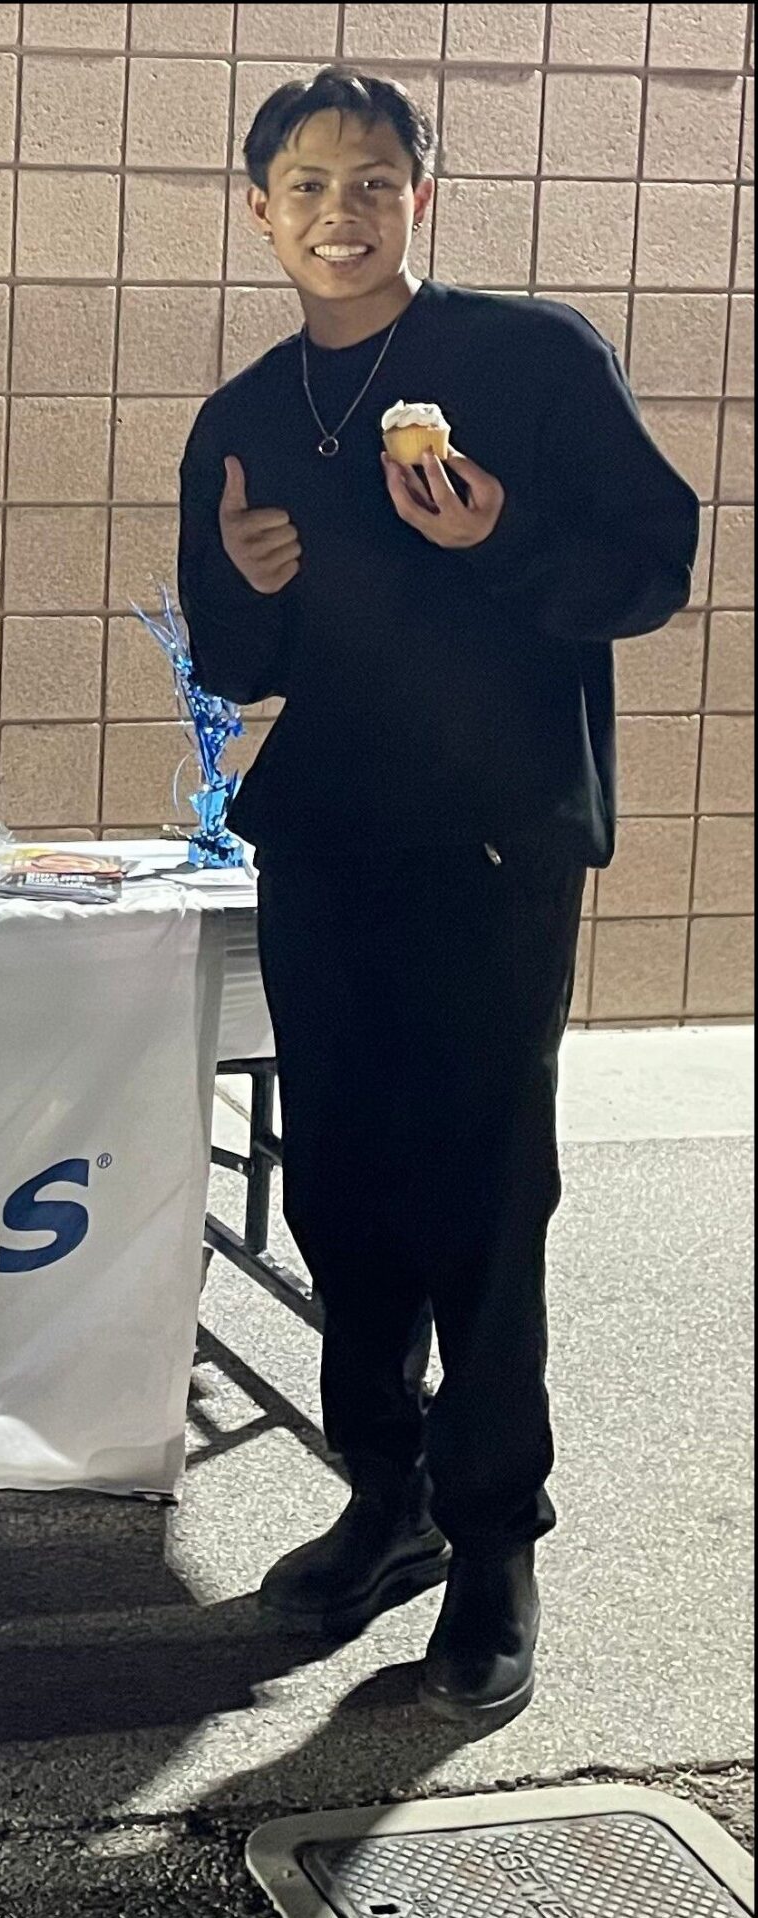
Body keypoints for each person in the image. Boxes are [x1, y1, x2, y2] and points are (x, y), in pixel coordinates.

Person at [177, 68, 700, 1728]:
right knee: (339, 1188)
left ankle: (493, 1544)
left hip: (490, 840)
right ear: (259, 210)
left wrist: (502, 538)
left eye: (372, 181)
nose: (339, 212)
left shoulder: (529, 361)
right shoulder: (246, 414)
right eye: (306, 185)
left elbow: (656, 561)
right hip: (329, 839)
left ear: (420, 198)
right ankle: (387, 1493)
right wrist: (244, 589)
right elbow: (234, 660)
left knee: (480, 1192)